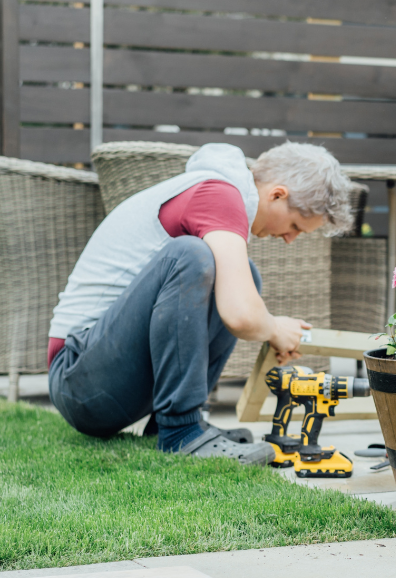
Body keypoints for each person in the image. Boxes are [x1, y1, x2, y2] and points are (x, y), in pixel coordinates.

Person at [48, 142, 356, 464]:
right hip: (77, 381)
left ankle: (178, 423)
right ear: (277, 194)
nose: (290, 239)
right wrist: (275, 328)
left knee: (242, 274)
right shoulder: (219, 195)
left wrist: (269, 323)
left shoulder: (220, 192)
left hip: (100, 378)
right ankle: (180, 432)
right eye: (295, 226)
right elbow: (240, 315)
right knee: (191, 256)